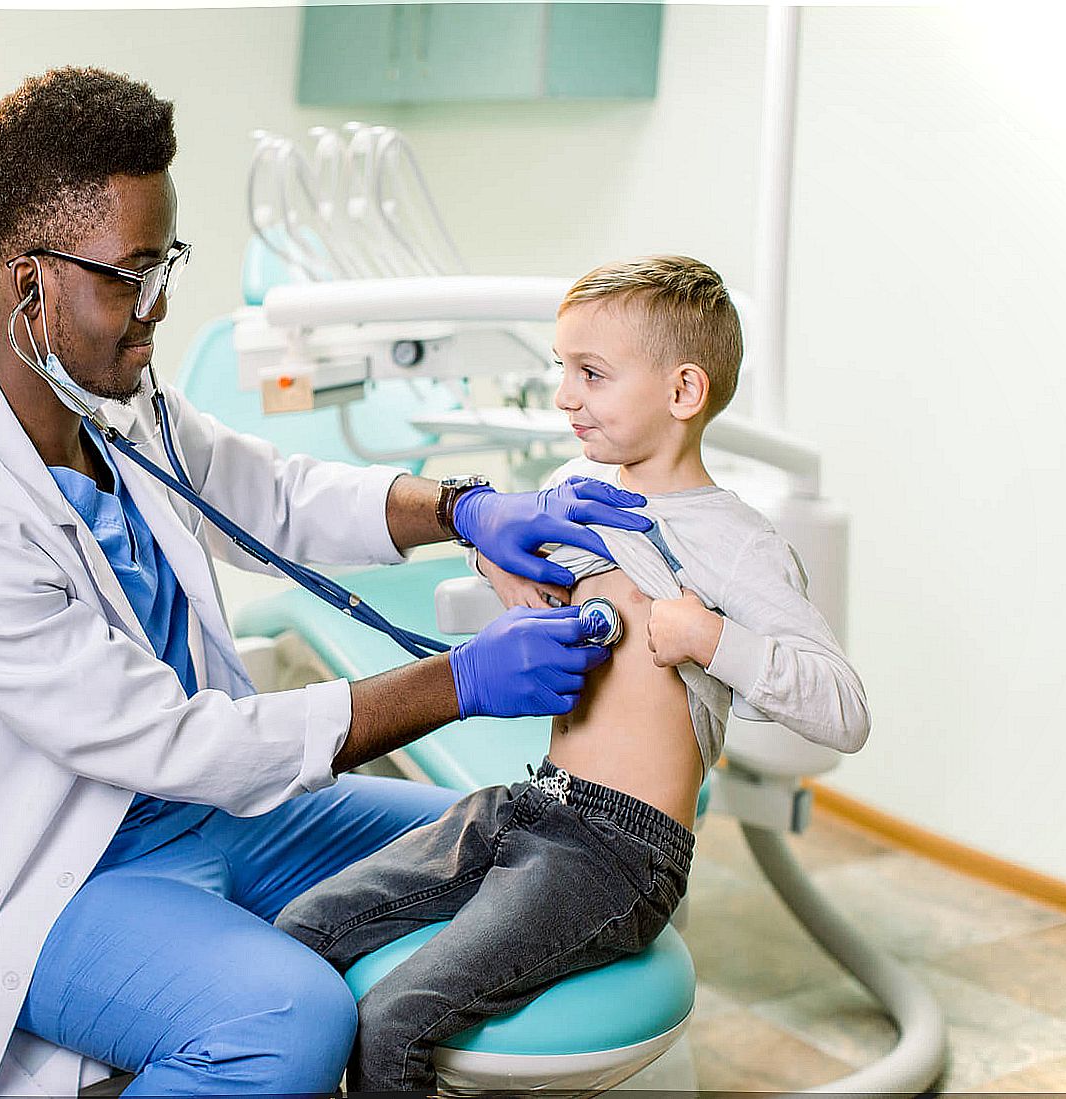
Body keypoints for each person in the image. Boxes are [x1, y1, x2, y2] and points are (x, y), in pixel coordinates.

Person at [0, 68, 655, 1097]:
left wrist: (461, 509)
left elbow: (267, 494)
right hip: (47, 879)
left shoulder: (108, 400)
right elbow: (176, 740)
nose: (157, 309)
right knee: (287, 1019)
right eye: (130, 275)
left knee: (521, 838)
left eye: (164, 265)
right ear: (27, 283)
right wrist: (460, 681)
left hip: (211, 819)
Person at [275, 255, 873, 1091]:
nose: (564, 396)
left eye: (591, 373)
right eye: (563, 370)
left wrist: (709, 637)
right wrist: (499, 564)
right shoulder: (573, 488)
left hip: (620, 851)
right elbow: (512, 551)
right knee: (298, 931)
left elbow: (844, 711)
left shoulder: (737, 545)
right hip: (531, 803)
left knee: (395, 1023)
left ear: (683, 391)